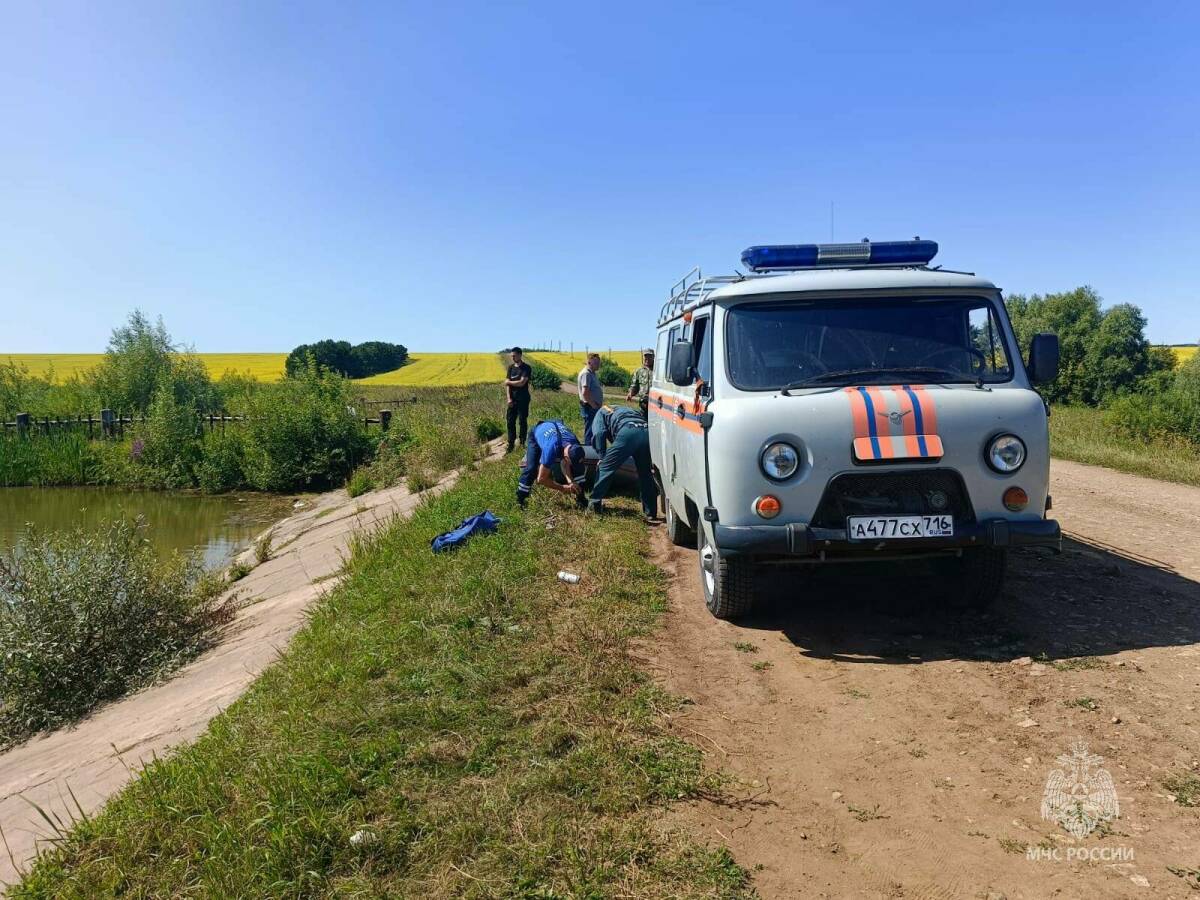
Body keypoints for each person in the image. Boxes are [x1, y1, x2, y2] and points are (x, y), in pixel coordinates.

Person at [588, 405, 659, 523]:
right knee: (645, 474)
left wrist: (601, 456)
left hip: (628, 432)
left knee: (605, 467)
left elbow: (599, 433)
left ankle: (594, 505)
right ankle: (650, 512)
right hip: (646, 432)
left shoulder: (601, 412)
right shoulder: (626, 409)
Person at [517, 418, 588, 509]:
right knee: (532, 468)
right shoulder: (551, 449)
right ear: (566, 456)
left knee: (578, 470)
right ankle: (520, 500)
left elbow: (565, 463)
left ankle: (581, 498)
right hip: (537, 432)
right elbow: (541, 479)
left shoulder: (574, 443)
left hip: (555, 428)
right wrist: (562, 488)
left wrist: (571, 481)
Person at [503, 346, 532, 453]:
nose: (513, 358)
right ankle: (511, 444)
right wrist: (509, 398)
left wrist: (509, 382)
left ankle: (522, 442)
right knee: (510, 421)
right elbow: (507, 386)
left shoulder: (526, 368)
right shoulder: (510, 368)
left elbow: (522, 382)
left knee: (522, 421)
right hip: (512, 399)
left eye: (514, 356)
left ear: (520, 355)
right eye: (512, 356)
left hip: (523, 399)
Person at [577, 352, 603, 444]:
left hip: (592, 406)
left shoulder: (592, 373)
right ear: (589, 362)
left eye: (598, 363)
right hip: (590, 407)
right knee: (590, 431)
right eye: (596, 363)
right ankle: (588, 453)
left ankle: (592, 451)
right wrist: (594, 405)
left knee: (593, 430)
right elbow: (585, 393)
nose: (598, 365)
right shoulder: (586, 374)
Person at [626, 350, 654, 419]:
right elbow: (634, 385)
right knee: (643, 421)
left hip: (655, 403)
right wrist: (630, 394)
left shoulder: (658, 370)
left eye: (650, 356)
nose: (647, 359)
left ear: (653, 357)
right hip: (643, 403)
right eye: (646, 356)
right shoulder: (639, 371)